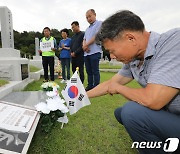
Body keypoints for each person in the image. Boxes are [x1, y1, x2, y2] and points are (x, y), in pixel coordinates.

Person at [87, 10, 180, 154]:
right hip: (173, 116)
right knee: (121, 112)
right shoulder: (134, 59)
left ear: (130, 38)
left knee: (132, 113)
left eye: (112, 51)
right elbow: (109, 84)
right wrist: (80, 96)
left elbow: (153, 100)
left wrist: (119, 88)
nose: (111, 56)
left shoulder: (173, 42)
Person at [83, 9, 103, 91]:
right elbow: (84, 39)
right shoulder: (87, 29)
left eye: (90, 16)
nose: (88, 19)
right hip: (87, 53)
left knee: (95, 70)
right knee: (88, 71)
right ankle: (90, 85)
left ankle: (96, 87)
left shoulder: (99, 23)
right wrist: (84, 46)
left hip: (95, 51)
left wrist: (86, 45)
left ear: (95, 14)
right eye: (87, 17)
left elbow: (96, 36)